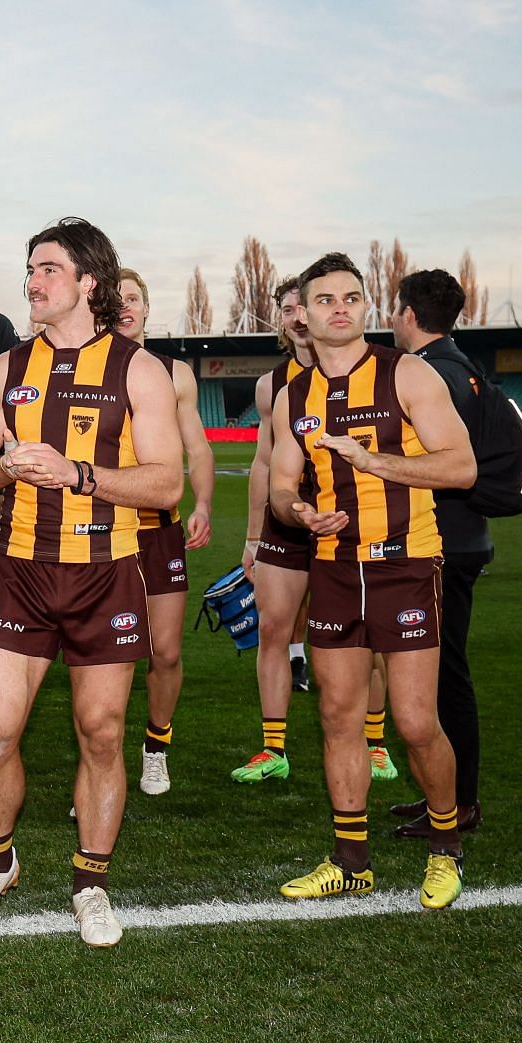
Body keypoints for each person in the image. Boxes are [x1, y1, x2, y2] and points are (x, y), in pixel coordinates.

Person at [0, 218, 182, 948]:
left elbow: (167, 483)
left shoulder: (138, 369)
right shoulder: (9, 368)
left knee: (103, 735)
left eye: (48, 269)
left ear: (88, 282)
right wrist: (5, 467)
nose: (33, 281)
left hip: (106, 576)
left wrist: (76, 473)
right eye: (30, 268)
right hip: (20, 572)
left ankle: (91, 880)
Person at [268, 252, 475, 911]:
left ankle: (446, 848)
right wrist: (297, 512)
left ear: (367, 308)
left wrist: (372, 461)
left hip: (406, 563)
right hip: (332, 567)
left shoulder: (407, 374)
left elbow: (461, 467)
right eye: (324, 299)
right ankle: (351, 861)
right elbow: (278, 485)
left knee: (414, 720)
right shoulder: (293, 397)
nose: (339, 308)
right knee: (336, 715)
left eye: (351, 298)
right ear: (302, 313)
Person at [388, 270, 491, 840]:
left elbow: (445, 463)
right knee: (439, 677)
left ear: (408, 314)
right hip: (464, 536)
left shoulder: (428, 375)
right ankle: (445, 797)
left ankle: (459, 803)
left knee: (445, 678)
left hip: (443, 542)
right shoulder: (465, 367)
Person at [114, 268, 215, 796]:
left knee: (166, 651)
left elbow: (196, 448)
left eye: (134, 298)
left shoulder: (176, 373)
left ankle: (156, 747)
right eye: (117, 299)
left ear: (147, 307)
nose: (126, 306)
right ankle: (101, 765)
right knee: (108, 655)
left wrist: (202, 503)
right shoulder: (93, 370)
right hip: (108, 529)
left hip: (159, 531)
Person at [232, 279, 316, 784]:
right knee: (272, 629)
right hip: (283, 522)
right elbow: (263, 463)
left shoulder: (369, 374)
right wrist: (251, 536)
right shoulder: (272, 386)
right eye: (288, 309)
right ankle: (273, 749)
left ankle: (374, 744)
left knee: (358, 637)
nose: (298, 316)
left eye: (305, 305)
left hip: (343, 521)